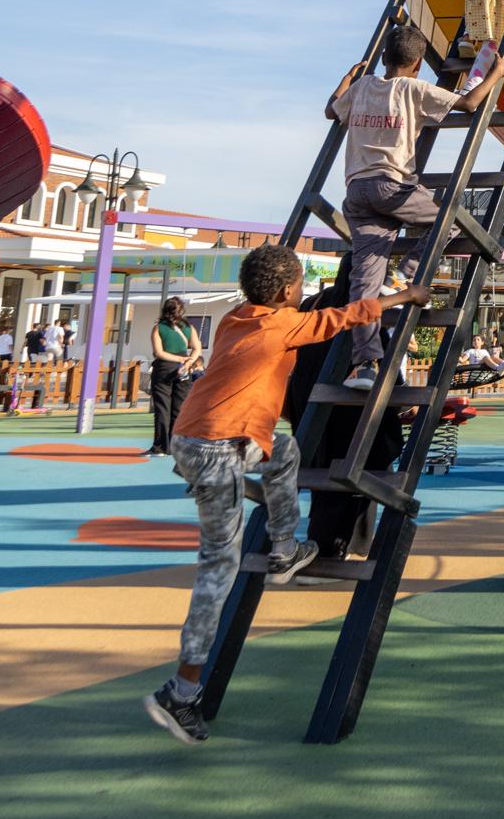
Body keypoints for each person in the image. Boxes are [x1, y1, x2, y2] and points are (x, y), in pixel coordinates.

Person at [145, 244, 427, 744]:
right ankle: (181, 692)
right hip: (217, 447)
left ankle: (283, 546)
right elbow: (347, 315)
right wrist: (408, 293)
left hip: (207, 437)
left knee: (285, 449)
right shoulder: (283, 325)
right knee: (219, 567)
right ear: (283, 293)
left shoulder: (237, 318)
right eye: (296, 288)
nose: (301, 296)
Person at [326, 19, 504, 387]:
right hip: (392, 186)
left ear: (383, 57)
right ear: (418, 63)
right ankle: (404, 275)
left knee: (364, 281)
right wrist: (497, 72)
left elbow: (332, 110)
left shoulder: (362, 87)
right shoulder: (413, 88)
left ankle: (364, 366)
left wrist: (348, 77)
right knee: (450, 222)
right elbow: (470, 103)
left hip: (356, 192)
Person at [147, 298, 204, 457]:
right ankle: (176, 446)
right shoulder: (189, 328)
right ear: (182, 310)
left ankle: (160, 447)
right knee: (179, 408)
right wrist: (188, 361)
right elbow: (197, 348)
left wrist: (178, 360)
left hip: (164, 368)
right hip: (184, 369)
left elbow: (158, 353)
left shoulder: (158, 328)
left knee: (162, 408)